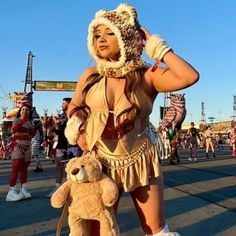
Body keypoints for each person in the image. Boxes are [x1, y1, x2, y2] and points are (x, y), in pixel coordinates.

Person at [66, 3, 199, 236]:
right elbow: (75, 106)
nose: (101, 39)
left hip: (141, 159)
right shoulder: (90, 76)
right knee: (99, 227)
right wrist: (79, 129)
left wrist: (158, 47)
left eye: (110, 33)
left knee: (156, 228)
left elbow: (189, 76)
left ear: (126, 38)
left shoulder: (147, 76)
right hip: (100, 162)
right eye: (97, 35)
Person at [6, 103, 35, 201]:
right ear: (20, 111)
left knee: (24, 168)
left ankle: (23, 189)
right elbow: (15, 129)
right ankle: (11, 191)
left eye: (27, 110)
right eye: (22, 109)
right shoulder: (16, 120)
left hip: (27, 145)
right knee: (16, 167)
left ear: (29, 112)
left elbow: (31, 134)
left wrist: (34, 128)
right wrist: (23, 121)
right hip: (18, 145)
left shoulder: (30, 121)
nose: (24, 111)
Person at [46, 97, 71, 198]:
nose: (62, 105)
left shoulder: (72, 116)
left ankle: (70, 189)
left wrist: (58, 131)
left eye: (64, 103)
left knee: (70, 167)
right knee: (59, 165)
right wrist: (55, 128)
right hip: (60, 145)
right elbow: (60, 132)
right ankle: (57, 187)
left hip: (70, 146)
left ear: (69, 104)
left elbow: (69, 132)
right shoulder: (63, 117)